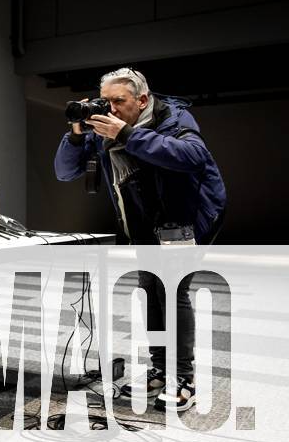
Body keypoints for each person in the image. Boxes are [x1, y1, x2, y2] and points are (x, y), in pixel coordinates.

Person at [54, 68, 226, 412]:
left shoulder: (171, 118)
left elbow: (193, 157)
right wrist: (76, 131)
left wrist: (128, 135)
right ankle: (161, 370)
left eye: (120, 101)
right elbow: (65, 171)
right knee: (150, 290)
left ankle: (183, 378)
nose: (113, 109)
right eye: (107, 101)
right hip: (146, 225)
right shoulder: (104, 127)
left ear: (142, 100)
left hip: (186, 220)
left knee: (172, 291)